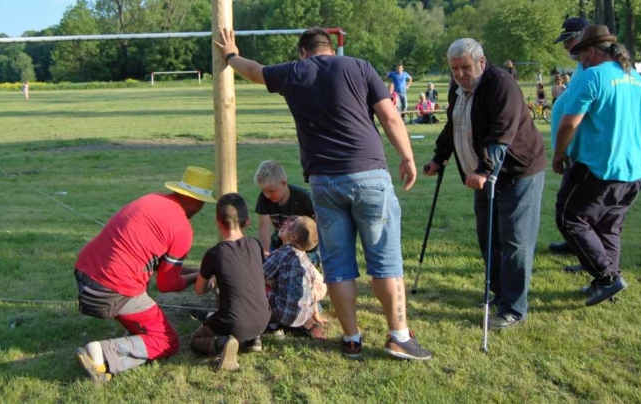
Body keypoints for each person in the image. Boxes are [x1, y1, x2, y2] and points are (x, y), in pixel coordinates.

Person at [214, 26, 431, 361]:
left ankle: (351, 339)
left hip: (323, 181)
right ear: (330, 47)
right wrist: (407, 157)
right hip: (369, 174)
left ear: (303, 51)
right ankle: (398, 336)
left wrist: (231, 54)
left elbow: (254, 71)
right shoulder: (360, 66)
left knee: (339, 265)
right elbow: (389, 116)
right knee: (385, 261)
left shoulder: (294, 71)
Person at [422, 38, 546, 331]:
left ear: (481, 62)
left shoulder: (501, 85)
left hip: (517, 172)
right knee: (488, 237)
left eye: (465, 67)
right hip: (482, 174)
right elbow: (453, 123)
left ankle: (513, 308)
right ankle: (500, 295)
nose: (459, 74)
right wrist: (439, 157)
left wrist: (483, 170)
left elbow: (501, 135)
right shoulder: (457, 87)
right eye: (454, 69)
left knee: (515, 240)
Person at [72, 166, 216, 383]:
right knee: (166, 341)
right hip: (112, 290)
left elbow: (159, 264)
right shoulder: (182, 229)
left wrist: (197, 272)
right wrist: (198, 278)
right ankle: (100, 354)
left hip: (86, 272)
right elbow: (167, 284)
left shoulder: (151, 199)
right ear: (198, 202)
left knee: (145, 312)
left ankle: (129, 339)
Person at [552, 25, 641, 306]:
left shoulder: (593, 75)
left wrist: (559, 154)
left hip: (597, 168)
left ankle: (607, 278)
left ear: (592, 51)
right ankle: (605, 286)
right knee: (608, 228)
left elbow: (570, 122)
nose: (581, 60)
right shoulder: (636, 78)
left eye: (581, 53)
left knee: (570, 218)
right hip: (631, 170)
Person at [191, 193, 271, 371]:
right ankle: (253, 339)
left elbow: (199, 289)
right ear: (247, 221)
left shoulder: (214, 253)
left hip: (234, 323)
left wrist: (213, 282)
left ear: (218, 223)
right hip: (263, 319)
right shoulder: (256, 244)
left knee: (196, 339)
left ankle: (223, 343)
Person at [548, 17, 589, 259]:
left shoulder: (591, 69)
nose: (566, 47)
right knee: (571, 204)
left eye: (569, 40)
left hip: (582, 149)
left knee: (576, 205)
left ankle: (585, 250)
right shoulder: (581, 68)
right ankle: (574, 242)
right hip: (572, 149)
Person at [263, 216, 327, 340]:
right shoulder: (307, 262)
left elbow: (260, 274)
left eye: (291, 225)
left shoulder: (281, 254)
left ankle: (272, 323)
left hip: (282, 313)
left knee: (261, 288)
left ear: (293, 237)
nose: (287, 224)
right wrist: (315, 314)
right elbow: (312, 291)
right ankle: (309, 324)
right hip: (304, 315)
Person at [254, 161, 319, 266]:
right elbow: (264, 228)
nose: (267, 195)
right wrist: (265, 252)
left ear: (284, 183)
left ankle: (315, 260)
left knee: (298, 267)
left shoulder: (304, 198)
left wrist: (310, 247)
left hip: (303, 247)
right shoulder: (263, 198)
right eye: (263, 191)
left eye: (271, 191)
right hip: (280, 244)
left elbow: (319, 225)